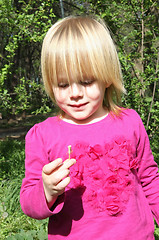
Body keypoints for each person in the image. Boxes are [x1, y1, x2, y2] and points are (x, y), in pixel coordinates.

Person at [20, 16, 159, 240]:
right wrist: (46, 191)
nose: (75, 93)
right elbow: (29, 204)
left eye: (86, 82)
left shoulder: (130, 122)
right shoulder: (42, 135)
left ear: (106, 77)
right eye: (63, 84)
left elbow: (150, 179)